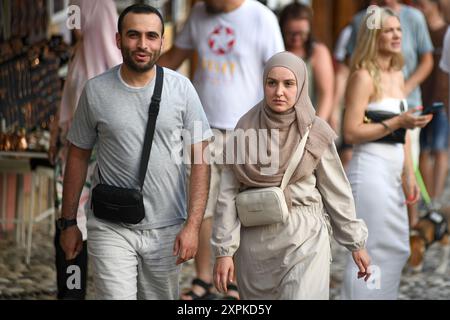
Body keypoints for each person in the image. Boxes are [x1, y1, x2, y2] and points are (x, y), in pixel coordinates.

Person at [59, 4, 212, 300]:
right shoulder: (95, 91)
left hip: (166, 228)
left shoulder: (182, 90)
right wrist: (68, 223)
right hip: (109, 225)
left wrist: (193, 226)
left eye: (151, 36)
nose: (143, 44)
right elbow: (77, 156)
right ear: (118, 40)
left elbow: (201, 161)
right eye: (133, 35)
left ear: (162, 42)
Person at [211, 51, 371, 300]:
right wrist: (224, 251)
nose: (279, 92)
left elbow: (336, 190)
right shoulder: (245, 129)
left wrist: (355, 242)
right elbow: (227, 194)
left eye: (289, 84)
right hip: (254, 246)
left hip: (304, 237)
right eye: (271, 83)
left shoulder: (315, 131)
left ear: (302, 85)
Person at [158, 0, 284, 300]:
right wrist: (132, 71)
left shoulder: (261, 17)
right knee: (201, 207)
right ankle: (202, 279)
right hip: (202, 129)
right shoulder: (199, 14)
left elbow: (280, 70)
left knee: (245, 208)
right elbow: (175, 57)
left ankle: (237, 281)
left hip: (248, 129)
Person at [341, 9, 433, 300]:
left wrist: (409, 173)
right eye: (389, 30)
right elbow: (351, 132)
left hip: (394, 171)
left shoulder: (396, 72)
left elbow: (403, 135)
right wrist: (397, 122)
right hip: (370, 170)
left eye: (399, 30)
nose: (397, 35)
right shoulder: (363, 77)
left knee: (397, 246)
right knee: (372, 248)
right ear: (374, 36)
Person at [48, 0, 122, 300]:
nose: (72, 25)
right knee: (69, 229)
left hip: (94, 161)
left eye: (76, 17)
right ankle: (72, 294)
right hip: (73, 161)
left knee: (88, 229)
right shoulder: (82, 58)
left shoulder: (107, 70)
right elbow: (67, 106)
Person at [416, 0, 449, 209]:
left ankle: (436, 199)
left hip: (442, 99)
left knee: (439, 149)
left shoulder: (446, 31)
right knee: (423, 149)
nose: (419, 8)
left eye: (422, 3)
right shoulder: (421, 30)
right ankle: (427, 200)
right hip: (422, 97)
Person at [278, 1, 334, 122]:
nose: (296, 38)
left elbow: (326, 94)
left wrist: (317, 126)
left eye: (302, 33)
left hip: (307, 121)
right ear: (282, 29)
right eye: (291, 33)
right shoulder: (275, 49)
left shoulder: (318, 52)